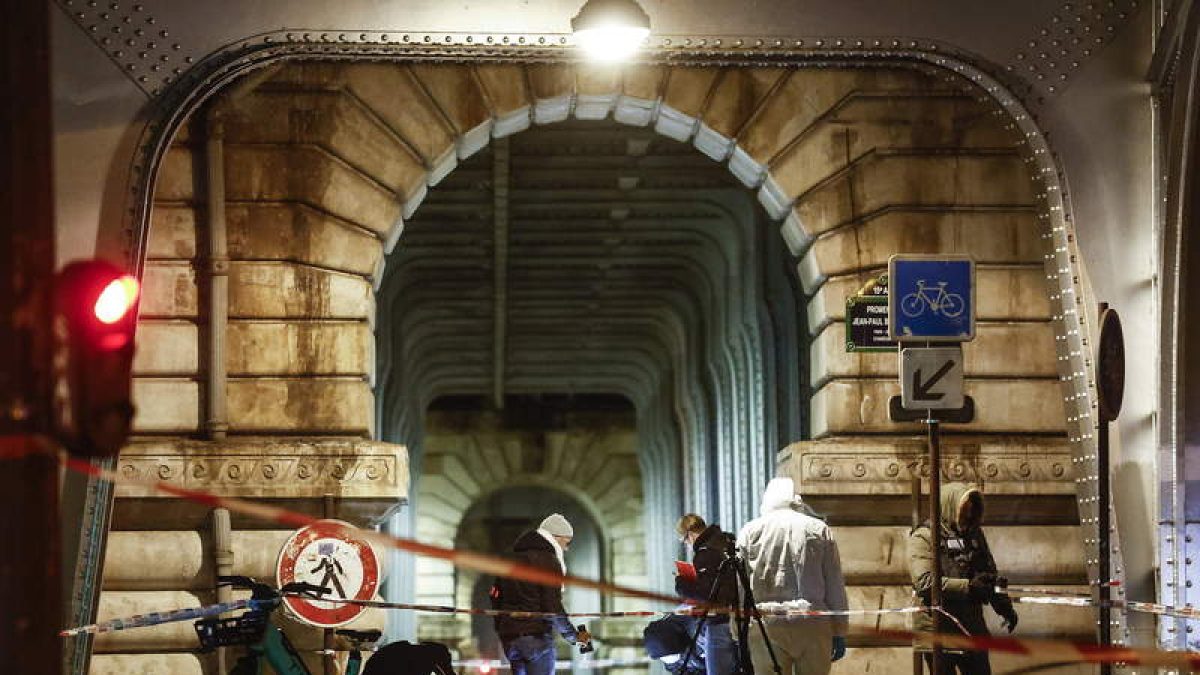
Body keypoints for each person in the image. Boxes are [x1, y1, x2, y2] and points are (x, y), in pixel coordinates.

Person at [737, 477, 849, 675]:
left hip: (766, 623)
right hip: (812, 620)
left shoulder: (749, 531)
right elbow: (833, 582)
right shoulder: (818, 529)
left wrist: (736, 630)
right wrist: (840, 629)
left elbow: (740, 585)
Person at [909, 483, 1018, 675]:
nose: (968, 515)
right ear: (949, 507)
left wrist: (1004, 607)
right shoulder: (924, 536)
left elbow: (989, 576)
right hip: (938, 630)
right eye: (963, 510)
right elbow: (924, 582)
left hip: (971, 627)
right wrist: (968, 587)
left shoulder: (974, 534)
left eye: (971, 509)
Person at [490, 513, 591, 675]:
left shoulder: (507, 558)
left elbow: (495, 595)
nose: (566, 548)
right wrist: (573, 636)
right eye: (566, 542)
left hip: (510, 640)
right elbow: (552, 606)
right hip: (536, 638)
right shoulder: (548, 561)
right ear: (556, 538)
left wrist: (502, 628)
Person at [675, 514, 739, 675]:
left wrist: (681, 584)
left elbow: (707, 594)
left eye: (685, 541)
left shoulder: (705, 553)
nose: (688, 545)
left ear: (690, 534)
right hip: (739, 617)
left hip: (719, 621)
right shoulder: (726, 541)